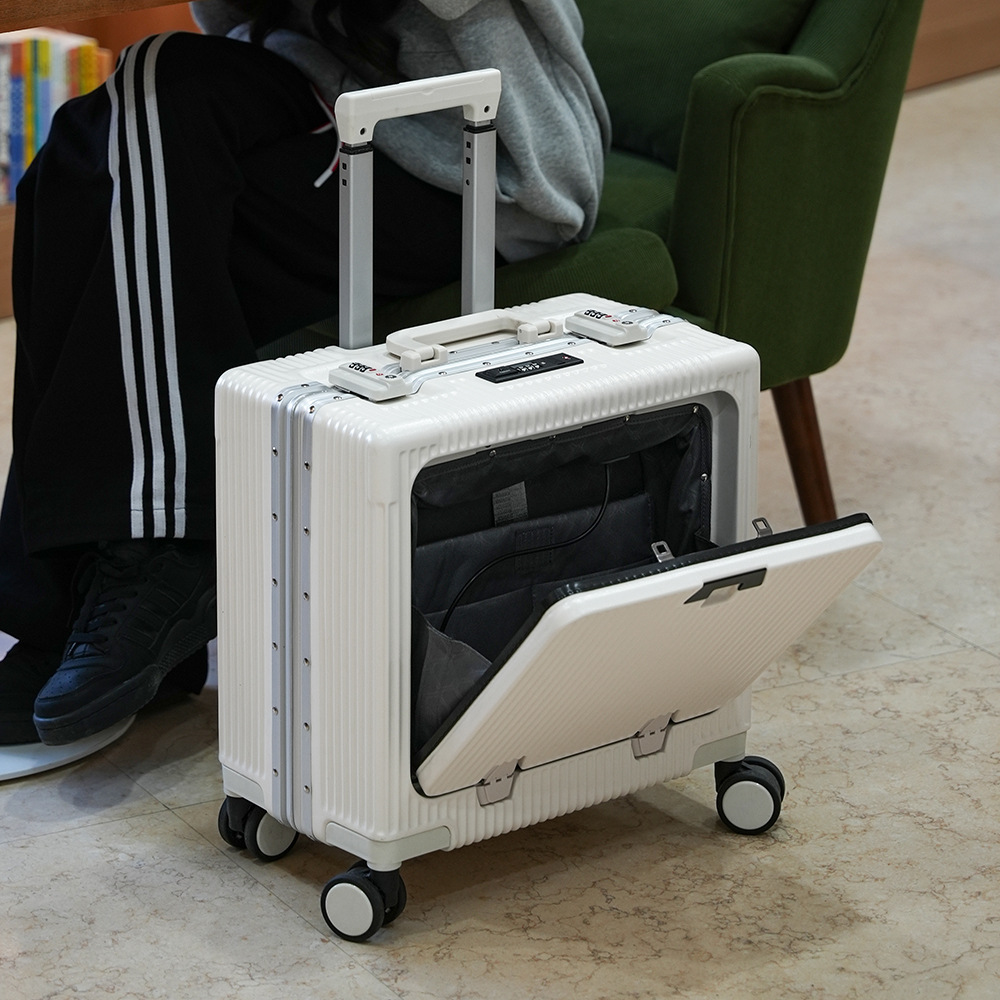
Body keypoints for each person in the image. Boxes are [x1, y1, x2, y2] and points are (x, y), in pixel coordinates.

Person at [0, 0, 610, 746]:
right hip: (330, 94)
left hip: (476, 159)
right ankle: (101, 588)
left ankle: (157, 552)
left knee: (140, 146)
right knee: (99, 143)